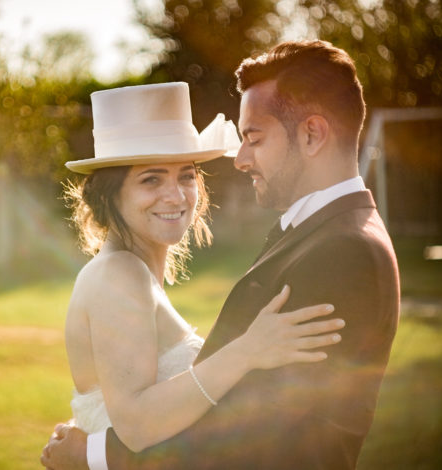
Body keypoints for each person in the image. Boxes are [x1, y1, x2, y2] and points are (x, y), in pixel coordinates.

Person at [41, 40, 400, 470]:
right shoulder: (119, 273)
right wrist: (245, 351)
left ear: (312, 134)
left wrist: (94, 453)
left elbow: (264, 435)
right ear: (110, 193)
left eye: (253, 139)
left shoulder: (344, 251)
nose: (241, 159)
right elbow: (153, 418)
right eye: (151, 179)